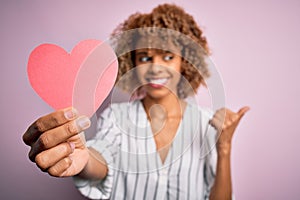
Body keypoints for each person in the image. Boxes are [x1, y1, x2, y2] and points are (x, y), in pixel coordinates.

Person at [23, 4, 249, 200]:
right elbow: (102, 160)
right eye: (145, 57)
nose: (155, 67)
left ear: (186, 61)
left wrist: (224, 147)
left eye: (167, 56)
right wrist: (83, 161)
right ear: (133, 64)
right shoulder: (116, 117)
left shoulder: (208, 122)